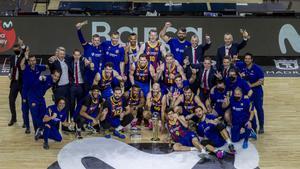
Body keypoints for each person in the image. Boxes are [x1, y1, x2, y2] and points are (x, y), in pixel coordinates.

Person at [28, 70, 61, 140]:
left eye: (58, 77)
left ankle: (41, 130)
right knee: (35, 115)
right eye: (55, 76)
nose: (56, 78)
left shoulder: (53, 82)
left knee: (43, 114)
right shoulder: (46, 78)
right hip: (33, 96)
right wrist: (41, 78)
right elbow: (39, 80)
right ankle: (37, 132)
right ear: (52, 75)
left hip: (40, 97)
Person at [20, 54, 48, 134]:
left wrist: (52, 61)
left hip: (34, 95)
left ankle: (37, 129)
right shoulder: (26, 68)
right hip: (25, 94)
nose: (33, 62)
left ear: (36, 61)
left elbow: (47, 66)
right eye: (31, 61)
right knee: (25, 111)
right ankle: (27, 127)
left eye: (34, 60)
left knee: (34, 112)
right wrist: (25, 56)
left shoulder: (38, 67)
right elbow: (21, 65)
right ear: (28, 62)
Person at [242, 53, 265, 134]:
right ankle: (254, 127)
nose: (247, 60)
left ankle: (261, 126)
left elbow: (261, 81)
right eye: (245, 58)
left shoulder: (257, 68)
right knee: (250, 110)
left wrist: (251, 85)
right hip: (248, 93)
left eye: (248, 58)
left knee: (259, 109)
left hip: (257, 92)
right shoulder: (243, 66)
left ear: (252, 59)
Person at [8, 38, 26, 126]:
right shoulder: (11, 57)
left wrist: (22, 44)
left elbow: (26, 50)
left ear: (19, 49)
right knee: (11, 100)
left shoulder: (23, 56)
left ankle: (25, 120)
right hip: (14, 82)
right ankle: (13, 118)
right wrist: (9, 74)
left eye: (17, 49)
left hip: (22, 83)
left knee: (24, 102)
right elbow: (11, 68)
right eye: (14, 50)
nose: (16, 51)